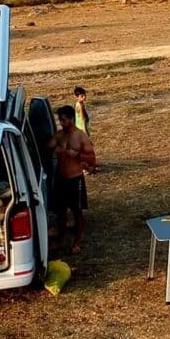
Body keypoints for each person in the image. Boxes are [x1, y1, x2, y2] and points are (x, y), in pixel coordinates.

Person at [48, 105, 97, 255]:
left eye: (64, 120)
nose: (61, 123)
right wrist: (52, 148)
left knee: (77, 211)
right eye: (60, 120)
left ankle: (77, 242)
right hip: (61, 178)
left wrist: (76, 155)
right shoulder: (59, 135)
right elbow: (47, 147)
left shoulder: (80, 136)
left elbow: (92, 159)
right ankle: (62, 239)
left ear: (71, 119)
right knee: (61, 211)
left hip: (75, 179)